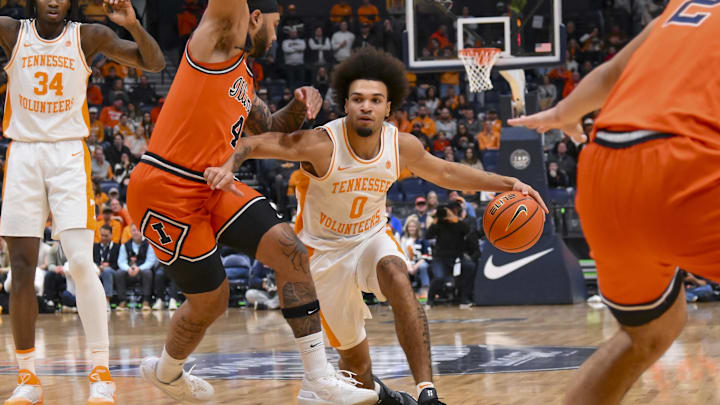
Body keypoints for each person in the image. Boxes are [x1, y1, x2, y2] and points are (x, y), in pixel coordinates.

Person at [225, 47, 548, 405]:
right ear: (346, 104)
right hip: (323, 254)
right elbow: (255, 143)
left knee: (396, 272)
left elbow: (446, 172)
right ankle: (386, 395)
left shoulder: (401, 145)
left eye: (375, 100)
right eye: (358, 99)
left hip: (370, 238)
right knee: (357, 373)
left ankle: (427, 392)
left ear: (387, 107)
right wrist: (228, 165)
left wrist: (508, 184)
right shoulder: (322, 144)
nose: (366, 106)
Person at [126, 1, 378, 404]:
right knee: (212, 302)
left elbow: (273, 128)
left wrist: (300, 105)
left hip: (214, 183)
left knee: (290, 250)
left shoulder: (242, 74)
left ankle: (317, 381)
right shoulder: (215, 43)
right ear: (254, 17)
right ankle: (166, 372)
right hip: (165, 187)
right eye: (274, 27)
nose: (276, 38)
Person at [509, 6, 720, 405]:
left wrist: (562, 113)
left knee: (648, 333)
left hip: (605, 168)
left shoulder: (684, 9)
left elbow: (611, 73)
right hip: (688, 162)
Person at [0, 0, 165, 403]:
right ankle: (27, 378)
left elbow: (155, 64)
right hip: (22, 152)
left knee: (80, 261)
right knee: (20, 268)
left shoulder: (89, 35)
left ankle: (99, 370)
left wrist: (133, 24)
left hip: (69, 155)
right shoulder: (11, 31)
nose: (53, 1)